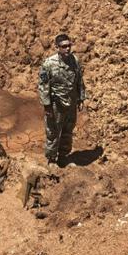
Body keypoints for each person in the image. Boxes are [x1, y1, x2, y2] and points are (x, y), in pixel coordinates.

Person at [38, 33, 86, 166]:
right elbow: (43, 86)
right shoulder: (49, 64)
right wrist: (47, 106)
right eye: (64, 46)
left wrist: (81, 98)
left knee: (67, 131)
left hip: (71, 104)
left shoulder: (74, 60)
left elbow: (79, 80)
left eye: (69, 45)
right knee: (53, 132)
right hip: (56, 105)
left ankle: (63, 157)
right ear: (57, 47)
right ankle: (52, 159)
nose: (67, 49)